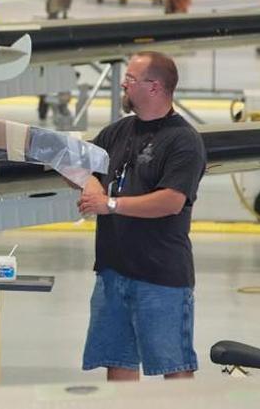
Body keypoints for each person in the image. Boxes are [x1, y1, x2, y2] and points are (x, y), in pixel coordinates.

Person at [77, 51, 206, 381]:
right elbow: (83, 166)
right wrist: (90, 184)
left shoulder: (183, 140)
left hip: (159, 276)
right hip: (113, 271)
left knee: (173, 365)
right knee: (118, 361)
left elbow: (171, 201)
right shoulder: (116, 132)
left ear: (155, 87)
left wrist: (111, 204)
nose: (124, 84)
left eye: (131, 79)